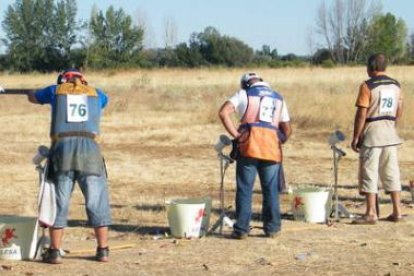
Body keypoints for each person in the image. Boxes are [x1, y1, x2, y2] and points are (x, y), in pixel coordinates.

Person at [28, 68, 112, 263]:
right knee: (96, 201)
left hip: (62, 151)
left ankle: (54, 252)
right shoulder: (97, 93)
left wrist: (30, 92)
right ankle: (103, 250)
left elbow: (34, 97)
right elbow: (104, 102)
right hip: (90, 151)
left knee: (59, 202)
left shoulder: (54, 91)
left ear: (62, 80)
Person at [218, 72, 292, 239]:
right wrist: (276, 140)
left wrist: (236, 135)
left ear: (245, 84)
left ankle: (242, 229)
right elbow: (287, 130)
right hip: (271, 149)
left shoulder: (243, 94)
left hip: (249, 147)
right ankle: (272, 228)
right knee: (271, 189)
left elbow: (223, 112)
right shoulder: (279, 98)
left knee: (245, 188)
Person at [351, 53, 403, 224]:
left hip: (373, 133)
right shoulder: (396, 85)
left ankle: (371, 212)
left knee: (370, 173)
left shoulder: (368, 86)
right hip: (390, 132)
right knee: (392, 173)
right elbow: (399, 109)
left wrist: (356, 135)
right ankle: (397, 211)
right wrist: (392, 125)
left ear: (371, 67)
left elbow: (361, 113)